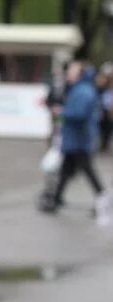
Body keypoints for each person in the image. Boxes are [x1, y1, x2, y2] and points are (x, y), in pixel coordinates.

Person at [42, 60, 107, 216]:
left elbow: (79, 114)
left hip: (80, 139)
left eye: (72, 70)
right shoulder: (77, 89)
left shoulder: (83, 91)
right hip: (74, 139)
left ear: (80, 74)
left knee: (87, 170)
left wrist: (61, 112)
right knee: (66, 170)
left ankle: (104, 200)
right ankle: (56, 199)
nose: (68, 72)